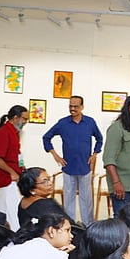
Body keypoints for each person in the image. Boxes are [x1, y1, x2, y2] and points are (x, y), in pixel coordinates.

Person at [42, 95, 103, 225]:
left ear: (82, 107)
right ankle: (69, 225)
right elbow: (46, 137)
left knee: (86, 199)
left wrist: (95, 154)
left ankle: (88, 225)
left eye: (76, 106)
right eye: (70, 106)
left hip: (85, 167)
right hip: (68, 168)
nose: (72, 109)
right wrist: (55, 155)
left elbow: (99, 138)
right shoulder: (63, 123)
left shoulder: (90, 122)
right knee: (68, 199)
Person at [0, 104, 29, 231]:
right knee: (12, 210)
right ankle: (15, 234)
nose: (26, 122)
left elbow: (17, 154)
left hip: (14, 176)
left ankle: (2, 232)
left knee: (4, 209)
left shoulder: (14, 132)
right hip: (7, 178)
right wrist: (12, 172)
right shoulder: (3, 133)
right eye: (24, 119)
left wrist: (22, 167)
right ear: (15, 118)